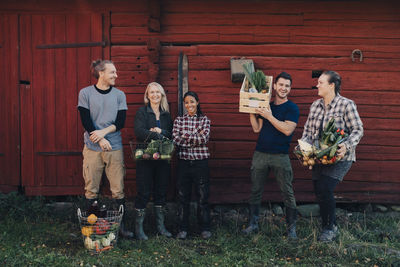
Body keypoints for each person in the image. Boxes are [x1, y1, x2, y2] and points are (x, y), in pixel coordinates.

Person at [301, 70, 363, 242]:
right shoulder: (315, 105)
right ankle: (326, 224)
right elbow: (307, 131)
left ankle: (330, 228)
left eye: (321, 82)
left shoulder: (346, 105)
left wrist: (346, 145)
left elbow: (358, 130)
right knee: (318, 190)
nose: (317, 85)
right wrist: (306, 151)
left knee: (325, 188)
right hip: (319, 156)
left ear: (331, 85)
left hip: (341, 157)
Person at [78, 59, 133, 238]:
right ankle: (91, 227)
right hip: (92, 148)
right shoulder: (85, 93)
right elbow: (86, 120)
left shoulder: (119, 95)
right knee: (91, 188)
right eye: (112, 72)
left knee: (118, 188)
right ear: (100, 73)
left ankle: (121, 228)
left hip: (114, 148)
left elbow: (120, 122)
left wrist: (103, 133)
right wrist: (100, 139)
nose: (116, 75)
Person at [243, 72, 299, 240]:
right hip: (260, 154)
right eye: (281, 85)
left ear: (290, 88)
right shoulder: (266, 104)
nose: (283, 88)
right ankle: (253, 224)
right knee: (255, 190)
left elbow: (287, 129)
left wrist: (269, 116)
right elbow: (256, 129)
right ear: (274, 86)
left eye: (287, 86)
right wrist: (251, 110)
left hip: (280, 156)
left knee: (287, 192)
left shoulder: (291, 108)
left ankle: (291, 229)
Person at [133, 82, 173, 240]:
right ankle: (139, 229)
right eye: (152, 92)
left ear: (162, 95)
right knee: (143, 191)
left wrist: (159, 131)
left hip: (163, 158)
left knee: (161, 191)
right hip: (145, 157)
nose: (155, 95)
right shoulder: (142, 112)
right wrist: (158, 135)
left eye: (158, 92)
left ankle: (160, 227)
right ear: (147, 95)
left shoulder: (166, 114)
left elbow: (170, 133)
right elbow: (139, 132)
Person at [173, 91, 212, 240]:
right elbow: (176, 139)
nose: (189, 105)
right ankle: (183, 229)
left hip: (201, 162)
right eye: (187, 102)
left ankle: (205, 228)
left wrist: (185, 137)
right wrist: (194, 136)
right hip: (184, 162)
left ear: (197, 103)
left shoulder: (204, 120)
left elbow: (204, 138)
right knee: (183, 196)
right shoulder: (179, 120)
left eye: (192, 102)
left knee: (203, 197)